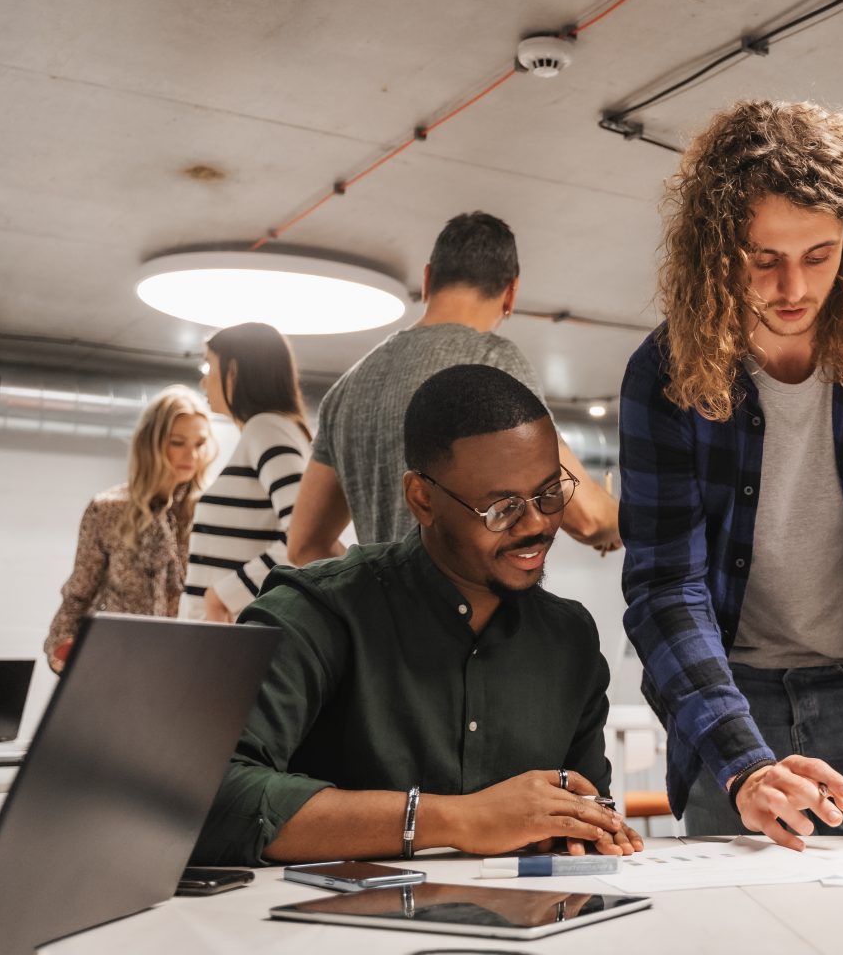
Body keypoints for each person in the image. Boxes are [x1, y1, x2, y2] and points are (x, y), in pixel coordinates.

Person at [618, 99, 843, 853]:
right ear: (716, 252)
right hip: (733, 699)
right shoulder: (662, 374)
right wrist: (743, 764)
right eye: (763, 259)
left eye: (819, 255)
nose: (794, 288)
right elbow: (664, 587)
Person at [192, 364, 641, 865]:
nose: (536, 524)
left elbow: (585, 817)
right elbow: (208, 797)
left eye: (550, 493)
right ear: (422, 499)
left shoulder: (569, 641)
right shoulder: (317, 614)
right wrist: (459, 819)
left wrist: (585, 829)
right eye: (502, 508)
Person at [288, 211, 619, 563]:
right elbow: (588, 519)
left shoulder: (346, 388)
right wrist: (619, 522)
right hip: (470, 616)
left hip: (381, 616)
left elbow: (305, 546)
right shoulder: (494, 363)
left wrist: (373, 590)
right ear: (511, 293)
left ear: (428, 279)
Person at [42, 385, 214, 672]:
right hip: (116, 660)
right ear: (152, 443)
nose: (191, 455)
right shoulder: (108, 509)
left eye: (199, 444)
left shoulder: (209, 509)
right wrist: (60, 649)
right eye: (178, 442)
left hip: (184, 663)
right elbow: (79, 593)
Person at [186, 322, 311, 622]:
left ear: (235, 372)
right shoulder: (278, 429)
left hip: (230, 638)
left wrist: (223, 595)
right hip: (230, 635)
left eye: (209, 368)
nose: (204, 383)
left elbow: (303, 540)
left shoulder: (265, 428)